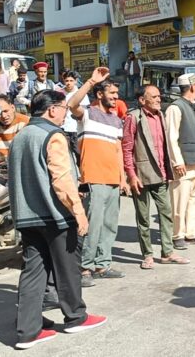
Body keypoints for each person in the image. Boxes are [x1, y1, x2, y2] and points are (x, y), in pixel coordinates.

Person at [10, 90, 107, 350]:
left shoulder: (20, 136)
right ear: (52, 109)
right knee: (68, 268)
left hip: (27, 217)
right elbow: (62, 179)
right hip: (55, 215)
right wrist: (78, 211)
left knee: (32, 273)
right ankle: (76, 316)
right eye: (63, 107)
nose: (65, 112)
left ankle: (28, 331)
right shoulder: (52, 135)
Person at [68, 68, 130, 287]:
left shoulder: (116, 120)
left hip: (113, 178)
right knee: (92, 225)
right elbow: (71, 105)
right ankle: (85, 268)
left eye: (116, 93)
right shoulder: (87, 114)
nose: (115, 97)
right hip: (93, 178)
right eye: (111, 93)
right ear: (99, 94)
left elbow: (118, 150)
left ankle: (103, 264)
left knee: (110, 224)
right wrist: (90, 81)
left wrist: (123, 178)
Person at [123, 85, 189, 269]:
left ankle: (167, 252)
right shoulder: (133, 117)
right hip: (142, 176)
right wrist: (131, 175)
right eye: (154, 96)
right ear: (142, 100)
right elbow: (127, 148)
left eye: (159, 96)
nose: (159, 99)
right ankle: (148, 255)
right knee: (143, 218)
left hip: (160, 174)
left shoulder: (161, 116)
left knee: (166, 213)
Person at [165, 73, 195, 249]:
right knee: (179, 200)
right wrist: (177, 161)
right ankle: (177, 234)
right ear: (192, 86)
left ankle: (192, 231)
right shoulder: (175, 108)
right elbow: (171, 137)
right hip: (184, 162)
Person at [0, 94, 29, 168]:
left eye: (6, 111)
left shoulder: (26, 123)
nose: (3, 116)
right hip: (4, 169)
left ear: (13, 107)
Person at [60, 71, 88, 158]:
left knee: (78, 152)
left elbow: (85, 111)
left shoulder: (81, 94)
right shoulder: (59, 93)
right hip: (63, 127)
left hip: (76, 128)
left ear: (75, 81)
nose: (68, 83)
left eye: (71, 80)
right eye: (66, 80)